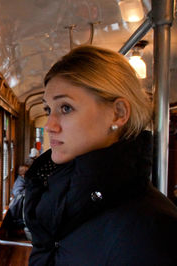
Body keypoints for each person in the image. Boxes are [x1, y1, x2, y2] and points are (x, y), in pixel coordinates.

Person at [24, 45, 177, 265]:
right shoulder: (58, 197)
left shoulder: (152, 229)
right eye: (48, 110)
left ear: (118, 113)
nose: (49, 125)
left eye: (65, 108)